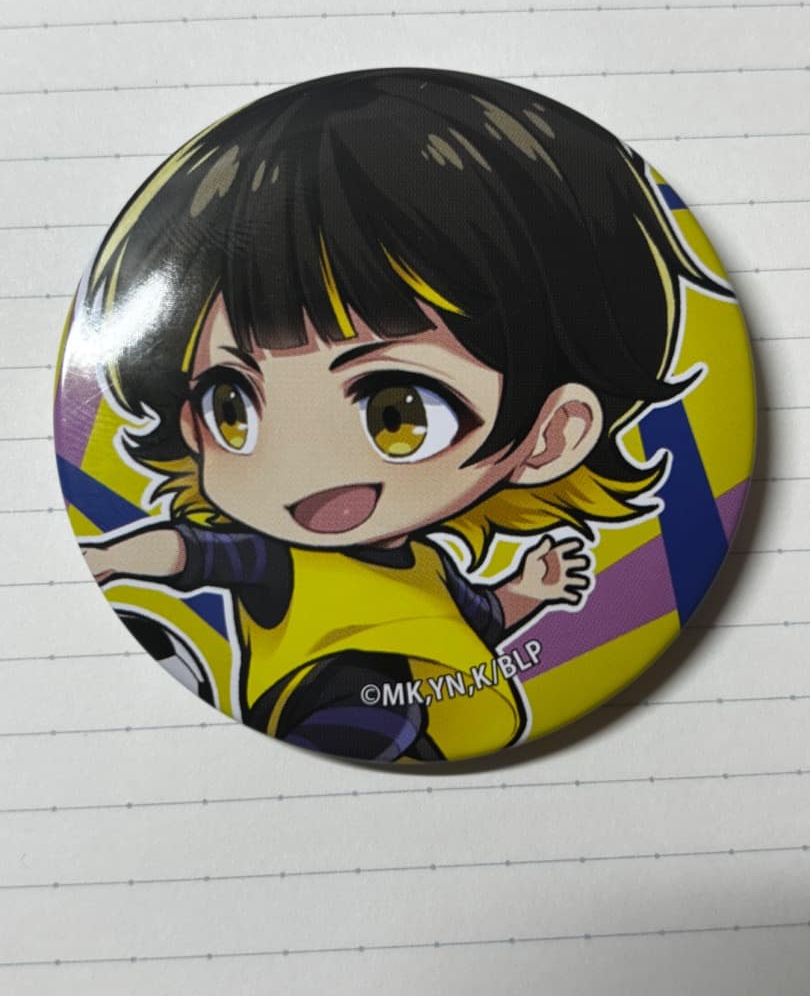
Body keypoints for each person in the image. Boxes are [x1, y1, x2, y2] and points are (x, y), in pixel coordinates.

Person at [77, 68, 725, 761]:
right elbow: (184, 551)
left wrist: (530, 591)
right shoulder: (276, 560)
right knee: (362, 709)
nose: (301, 463)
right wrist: (112, 558)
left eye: (398, 412)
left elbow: (481, 617)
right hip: (324, 698)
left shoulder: (430, 567)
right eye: (232, 406)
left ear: (553, 435)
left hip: (441, 719)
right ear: (190, 424)